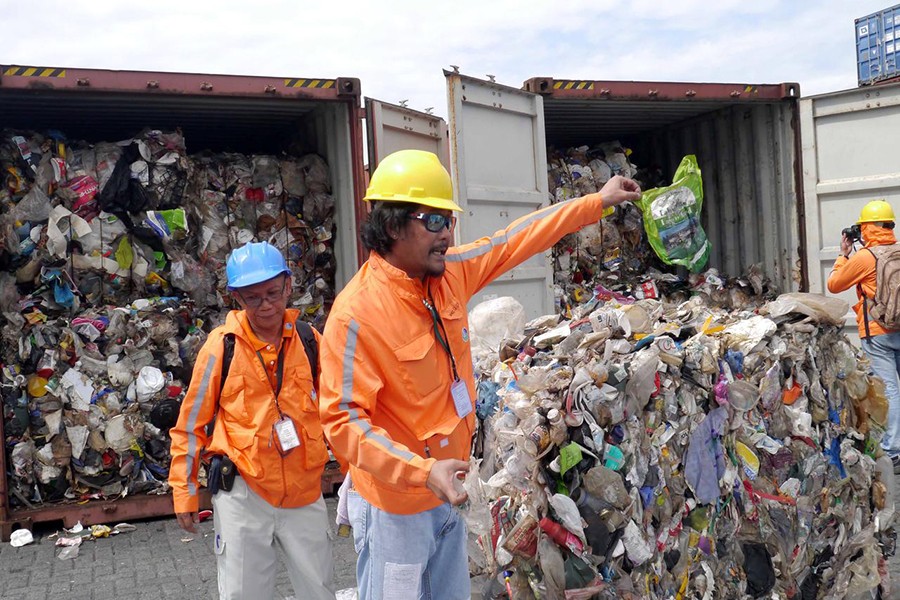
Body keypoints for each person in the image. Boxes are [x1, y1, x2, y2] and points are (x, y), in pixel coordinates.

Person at [318, 149, 641, 599]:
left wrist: (597, 201)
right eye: (433, 222)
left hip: (451, 493)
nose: (447, 234)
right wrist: (421, 471)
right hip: (397, 510)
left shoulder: (450, 273)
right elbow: (343, 423)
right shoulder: (357, 315)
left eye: (448, 221)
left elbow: (517, 238)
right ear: (392, 226)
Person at [168, 241, 335, 600]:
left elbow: (339, 411)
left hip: (304, 493)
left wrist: (358, 475)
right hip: (243, 494)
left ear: (289, 285)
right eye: (252, 298)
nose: (266, 306)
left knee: (318, 591)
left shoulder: (310, 342)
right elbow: (190, 425)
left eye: (273, 293)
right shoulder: (221, 347)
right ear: (236, 299)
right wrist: (184, 493)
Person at [827, 199, 900, 472]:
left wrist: (844, 254)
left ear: (867, 228)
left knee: (890, 391)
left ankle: (893, 451)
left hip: (878, 332)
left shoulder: (864, 257)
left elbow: (834, 284)